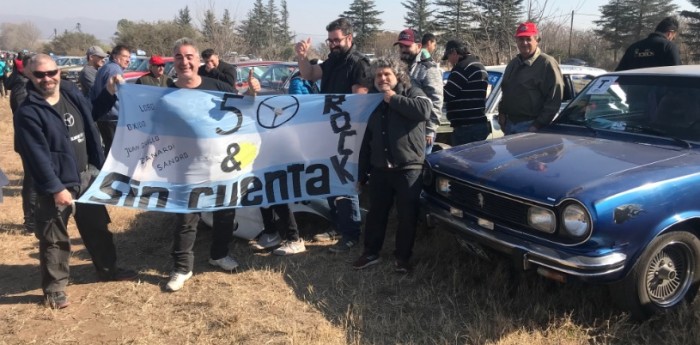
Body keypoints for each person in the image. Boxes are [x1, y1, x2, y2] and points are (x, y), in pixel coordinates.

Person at [14, 54, 137, 309]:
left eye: (52, 72)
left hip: (87, 175)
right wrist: (56, 188)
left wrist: (109, 92)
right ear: (29, 75)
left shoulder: (70, 92)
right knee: (54, 238)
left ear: (59, 72)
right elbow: (36, 157)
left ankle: (108, 269)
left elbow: (91, 113)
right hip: (57, 184)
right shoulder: (28, 111)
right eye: (40, 75)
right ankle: (55, 288)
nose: (47, 78)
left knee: (98, 228)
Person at [163, 37, 261, 292]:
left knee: (225, 213)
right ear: (173, 61)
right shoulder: (167, 94)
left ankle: (219, 255)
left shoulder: (217, 86)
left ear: (198, 60)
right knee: (186, 219)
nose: (184, 62)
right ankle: (182, 268)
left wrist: (252, 92)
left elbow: (244, 108)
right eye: (179, 57)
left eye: (189, 57)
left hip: (221, 164)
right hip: (187, 167)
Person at [295, 17, 370, 253]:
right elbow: (308, 74)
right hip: (326, 133)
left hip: (347, 135)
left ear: (350, 38)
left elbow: (360, 103)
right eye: (330, 41)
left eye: (337, 40)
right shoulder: (331, 61)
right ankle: (338, 225)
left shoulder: (359, 64)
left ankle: (351, 233)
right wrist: (301, 55)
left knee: (344, 183)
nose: (333, 44)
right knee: (329, 179)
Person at [353, 57, 432, 273]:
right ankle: (370, 253)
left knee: (407, 216)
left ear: (397, 75)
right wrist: (361, 174)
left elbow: (425, 110)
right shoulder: (372, 100)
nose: (382, 78)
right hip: (380, 169)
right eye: (378, 75)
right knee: (376, 213)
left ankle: (402, 259)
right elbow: (366, 142)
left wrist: (393, 99)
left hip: (409, 169)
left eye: (387, 74)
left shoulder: (412, 91)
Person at [497, 22, 564, 135]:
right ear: (516, 41)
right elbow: (506, 91)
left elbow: (554, 99)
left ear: (536, 40)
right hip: (510, 124)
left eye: (528, 39)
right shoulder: (513, 64)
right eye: (521, 39)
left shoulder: (547, 63)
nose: (524, 43)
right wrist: (502, 113)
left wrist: (537, 125)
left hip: (531, 126)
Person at [395, 28, 443, 154]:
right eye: (401, 46)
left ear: (419, 46)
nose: (403, 50)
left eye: (407, 46)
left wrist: (430, 129)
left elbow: (436, 100)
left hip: (422, 131)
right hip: (402, 130)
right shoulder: (398, 68)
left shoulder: (428, 69)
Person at [442, 40, 490, 145]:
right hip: (479, 123)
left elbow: (446, 95)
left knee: (463, 160)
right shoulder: (479, 65)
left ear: (454, 52)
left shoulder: (461, 68)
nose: (449, 61)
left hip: (466, 128)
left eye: (448, 57)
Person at [7, 53, 35, 234]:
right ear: (24, 68)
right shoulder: (22, 85)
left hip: (36, 141)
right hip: (29, 141)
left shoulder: (28, 83)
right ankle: (31, 222)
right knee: (32, 181)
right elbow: (24, 114)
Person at [90, 44, 131, 154]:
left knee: (110, 151)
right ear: (115, 56)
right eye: (125, 56)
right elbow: (117, 95)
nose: (128, 60)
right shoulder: (115, 70)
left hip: (103, 117)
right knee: (116, 154)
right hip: (113, 118)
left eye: (129, 57)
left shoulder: (105, 68)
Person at [616, 16, 681, 71]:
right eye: (673, 37)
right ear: (670, 33)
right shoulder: (669, 47)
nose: (673, 39)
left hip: (632, 85)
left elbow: (618, 73)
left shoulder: (633, 47)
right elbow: (677, 73)